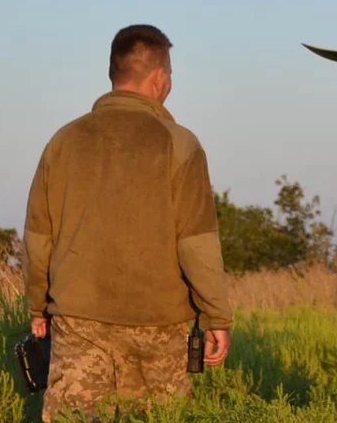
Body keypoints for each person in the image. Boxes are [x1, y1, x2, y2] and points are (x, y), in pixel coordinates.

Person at [22, 24, 234, 422]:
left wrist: (38, 307)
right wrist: (216, 317)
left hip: (78, 322)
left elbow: (38, 237)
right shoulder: (180, 144)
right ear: (159, 78)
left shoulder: (63, 141)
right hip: (160, 327)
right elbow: (197, 243)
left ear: (113, 74)